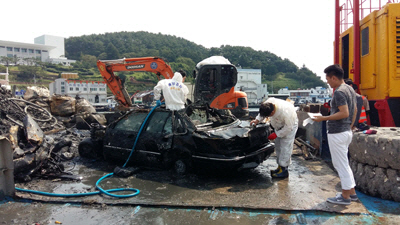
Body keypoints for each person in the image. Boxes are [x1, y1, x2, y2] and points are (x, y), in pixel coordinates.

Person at [313, 64, 358, 205]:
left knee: (340, 165)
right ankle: (352, 193)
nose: (328, 82)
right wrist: (349, 127)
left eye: (328, 79)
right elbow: (354, 110)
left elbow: (344, 112)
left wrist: (323, 118)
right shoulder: (350, 89)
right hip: (345, 131)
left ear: (334, 77)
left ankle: (345, 197)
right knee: (345, 163)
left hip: (338, 133)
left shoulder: (339, 92)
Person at [250, 97, 298, 178]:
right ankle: (280, 167)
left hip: (289, 126)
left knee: (285, 147)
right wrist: (257, 120)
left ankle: (284, 170)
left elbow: (288, 127)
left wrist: (277, 134)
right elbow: (262, 114)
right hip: (278, 125)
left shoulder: (286, 111)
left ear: (272, 112)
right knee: (278, 146)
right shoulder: (268, 103)